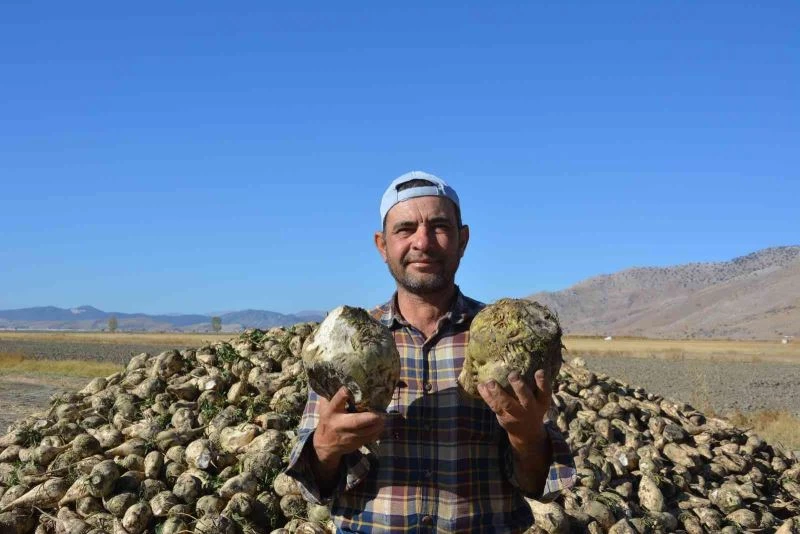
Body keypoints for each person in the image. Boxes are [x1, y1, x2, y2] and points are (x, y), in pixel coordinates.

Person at [285, 171, 576, 533]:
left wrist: (527, 436)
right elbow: (312, 484)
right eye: (405, 229)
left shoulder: (508, 340)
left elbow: (538, 486)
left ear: (463, 239)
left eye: (439, 226)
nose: (423, 241)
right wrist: (325, 446)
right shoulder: (345, 343)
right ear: (382, 245)